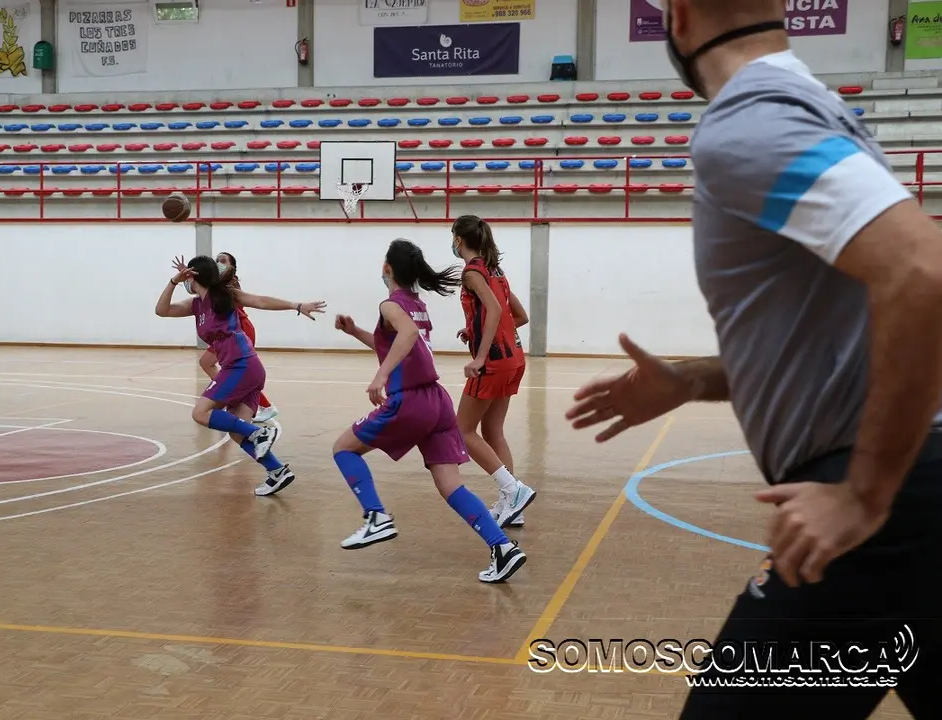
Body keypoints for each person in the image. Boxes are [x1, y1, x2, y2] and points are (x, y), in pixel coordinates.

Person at [566, 1, 942, 717]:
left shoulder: (747, 121)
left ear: (677, 19)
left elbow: (921, 271)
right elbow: (835, 342)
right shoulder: (815, 105)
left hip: (889, 497)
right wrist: (692, 381)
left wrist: (863, 496)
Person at [332, 238, 527, 583]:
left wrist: (381, 374)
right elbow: (401, 342)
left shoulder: (391, 305)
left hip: (410, 401)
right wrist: (356, 332)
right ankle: (502, 548)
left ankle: (375, 516)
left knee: (343, 449)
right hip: (436, 402)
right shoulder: (415, 303)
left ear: (387, 268)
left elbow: (405, 335)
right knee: (450, 484)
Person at [156, 255, 326, 496]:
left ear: (194, 276)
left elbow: (260, 300)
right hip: (244, 368)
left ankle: (259, 432)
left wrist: (296, 305)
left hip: (242, 365)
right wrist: (173, 281)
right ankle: (277, 471)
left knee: (200, 413)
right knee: (237, 431)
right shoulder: (195, 305)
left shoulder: (226, 295)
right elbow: (161, 311)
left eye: (187, 275)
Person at [451, 215, 535, 528]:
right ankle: (513, 505)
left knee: (462, 431)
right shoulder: (495, 270)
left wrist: (480, 356)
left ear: (459, 239)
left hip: (493, 363)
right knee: (492, 431)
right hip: (515, 358)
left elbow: (497, 310)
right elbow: (520, 316)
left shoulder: (472, 273)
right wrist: (474, 329)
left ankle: (513, 490)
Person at [193, 252, 279, 424]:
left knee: (233, 369)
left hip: (239, 328)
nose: (219, 263)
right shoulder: (215, 284)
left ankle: (265, 405)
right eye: (216, 261)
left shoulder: (230, 284)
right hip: (223, 331)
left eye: (223, 261)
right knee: (208, 363)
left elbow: (258, 300)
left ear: (232, 267)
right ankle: (229, 393)